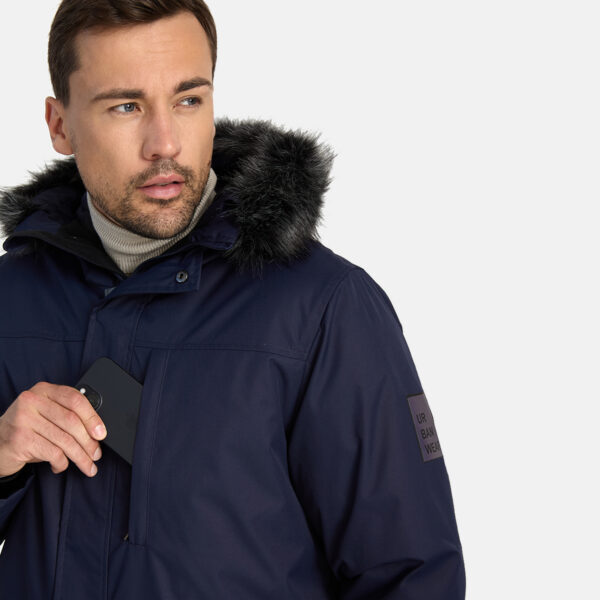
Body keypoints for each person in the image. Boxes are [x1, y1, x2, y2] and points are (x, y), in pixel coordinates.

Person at [0, 1, 465, 597]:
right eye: (126, 106)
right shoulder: (10, 300)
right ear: (59, 125)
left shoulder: (322, 309)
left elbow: (411, 575)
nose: (165, 143)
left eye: (188, 100)